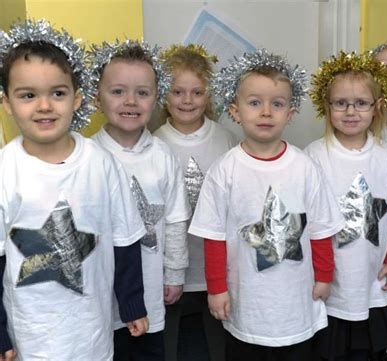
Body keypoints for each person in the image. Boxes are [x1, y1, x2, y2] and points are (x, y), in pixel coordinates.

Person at [0, 20, 148, 361]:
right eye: (27, 95)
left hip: (91, 331)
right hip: (32, 334)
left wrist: (132, 302)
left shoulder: (101, 163)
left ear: (77, 98)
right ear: (7, 102)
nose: (44, 106)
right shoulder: (6, 170)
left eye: (57, 93)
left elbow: (125, 240)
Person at [188, 48, 345, 361]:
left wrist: (325, 275)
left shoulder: (305, 167)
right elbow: (214, 235)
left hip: (296, 301)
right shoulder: (225, 170)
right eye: (254, 103)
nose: (265, 112)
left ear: (290, 113)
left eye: (277, 104)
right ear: (235, 110)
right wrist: (216, 288)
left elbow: (321, 227)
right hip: (247, 302)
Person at [305, 51, 387, 361]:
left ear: (376, 108)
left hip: (373, 275)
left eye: (361, 103)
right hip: (331, 277)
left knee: (370, 351)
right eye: (340, 103)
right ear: (326, 107)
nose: (351, 111)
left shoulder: (385, 155)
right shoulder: (314, 155)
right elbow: (307, 219)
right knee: (331, 350)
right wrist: (317, 271)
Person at [89, 40, 191, 360]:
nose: (130, 101)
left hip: (150, 291)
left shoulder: (163, 155)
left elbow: (175, 218)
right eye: (118, 91)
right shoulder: (87, 157)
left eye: (142, 93)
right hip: (100, 297)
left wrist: (174, 273)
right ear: (96, 98)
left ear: (155, 99)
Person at [153, 43, 237, 361]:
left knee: (216, 347)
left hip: (216, 271)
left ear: (209, 95)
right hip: (170, 275)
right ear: (164, 94)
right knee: (171, 346)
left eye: (197, 92)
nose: (187, 101)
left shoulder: (226, 140)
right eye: (178, 92)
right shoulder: (155, 142)